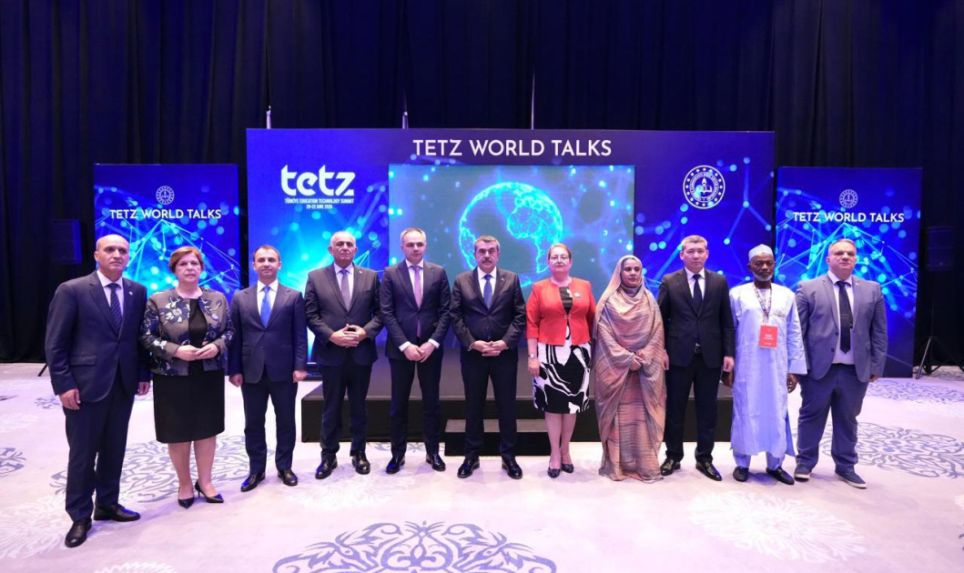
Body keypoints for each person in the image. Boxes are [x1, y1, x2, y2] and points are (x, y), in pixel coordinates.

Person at [44, 234, 151, 548]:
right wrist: (64, 384)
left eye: (122, 250)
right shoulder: (72, 290)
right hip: (84, 386)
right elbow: (55, 343)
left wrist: (142, 373)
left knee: (114, 448)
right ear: (96, 255)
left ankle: (107, 503)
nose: (117, 254)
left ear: (128, 257)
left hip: (123, 383)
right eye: (110, 249)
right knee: (83, 453)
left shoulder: (136, 291)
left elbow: (137, 338)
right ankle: (79, 516)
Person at [141, 246, 232, 507]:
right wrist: (176, 351)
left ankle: (205, 481)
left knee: (207, 429)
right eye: (183, 264)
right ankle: (184, 484)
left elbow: (229, 332)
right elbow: (145, 336)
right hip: (172, 377)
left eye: (194, 263)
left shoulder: (217, 298)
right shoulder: (158, 300)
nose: (190, 268)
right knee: (177, 432)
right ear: (174, 269)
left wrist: (217, 346)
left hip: (208, 375)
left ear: (201, 268)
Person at [794, 238, 887, 489]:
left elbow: (879, 331)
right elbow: (798, 332)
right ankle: (805, 463)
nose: (845, 257)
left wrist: (876, 365)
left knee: (848, 419)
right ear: (828, 259)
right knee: (811, 416)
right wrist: (797, 367)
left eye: (850, 254)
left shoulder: (872, 290)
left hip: (855, 370)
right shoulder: (808, 288)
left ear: (856, 259)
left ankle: (846, 466)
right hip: (818, 369)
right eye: (839, 253)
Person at [228, 245, 308, 491]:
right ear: (254, 265)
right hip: (250, 370)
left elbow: (300, 335)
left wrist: (300, 365)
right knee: (253, 422)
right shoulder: (240, 297)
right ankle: (256, 470)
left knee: (286, 421)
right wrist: (234, 369)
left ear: (279, 264)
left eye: (271, 260)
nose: (266, 264)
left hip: (284, 370)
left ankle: (284, 467)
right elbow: (235, 336)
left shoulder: (293, 296)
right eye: (261, 260)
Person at [725, 245, 806, 485]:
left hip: (777, 366)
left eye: (768, 262)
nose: (764, 267)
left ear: (774, 265)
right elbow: (729, 332)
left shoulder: (786, 295)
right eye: (758, 263)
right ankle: (742, 463)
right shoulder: (737, 294)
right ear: (749, 266)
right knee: (745, 411)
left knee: (776, 412)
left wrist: (794, 369)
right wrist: (727, 368)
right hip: (747, 365)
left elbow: (794, 332)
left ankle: (775, 464)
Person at [657, 235, 735, 481]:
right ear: (682, 255)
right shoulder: (670, 281)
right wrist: (661, 350)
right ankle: (673, 456)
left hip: (710, 357)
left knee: (708, 410)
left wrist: (729, 353)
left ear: (707, 254)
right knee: (675, 409)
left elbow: (726, 321)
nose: (696, 255)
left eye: (700, 251)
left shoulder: (719, 282)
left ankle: (704, 458)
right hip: (678, 356)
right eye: (690, 251)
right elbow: (660, 321)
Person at [305, 231, 383, 478]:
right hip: (331, 353)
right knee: (331, 407)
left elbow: (381, 313)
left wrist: (365, 332)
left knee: (359, 407)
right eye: (340, 244)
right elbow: (310, 315)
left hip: (361, 353)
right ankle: (328, 456)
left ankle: (359, 453)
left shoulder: (370, 277)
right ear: (331, 250)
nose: (345, 247)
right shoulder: (316, 277)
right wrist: (331, 336)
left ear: (356, 250)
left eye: (350, 244)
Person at [449, 235, 526, 479]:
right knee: (473, 406)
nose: (486, 255)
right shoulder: (461, 280)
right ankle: (471, 456)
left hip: (504, 355)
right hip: (474, 355)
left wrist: (504, 343)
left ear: (498, 254)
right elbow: (455, 316)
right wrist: (473, 343)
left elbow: (519, 316)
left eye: (491, 250)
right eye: (481, 251)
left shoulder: (511, 279)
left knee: (507, 406)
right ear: (474, 254)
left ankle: (509, 457)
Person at [380, 227, 451, 474]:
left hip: (430, 349)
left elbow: (446, 311)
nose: (415, 248)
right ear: (402, 247)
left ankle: (433, 452)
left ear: (425, 245)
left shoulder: (438, 272)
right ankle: (397, 454)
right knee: (398, 404)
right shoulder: (390, 273)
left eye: (419, 244)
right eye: (410, 244)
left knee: (432, 402)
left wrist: (432, 343)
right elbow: (386, 312)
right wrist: (405, 345)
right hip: (401, 350)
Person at [591, 255, 666, 482]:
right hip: (617, 372)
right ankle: (616, 466)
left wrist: (644, 356)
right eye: (628, 269)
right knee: (619, 418)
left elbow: (657, 332)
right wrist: (626, 358)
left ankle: (644, 464)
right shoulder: (608, 302)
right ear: (619, 273)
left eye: (637, 269)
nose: (633, 273)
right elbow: (603, 335)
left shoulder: (649, 299)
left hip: (643, 372)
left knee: (641, 420)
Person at [526, 243, 596, 478]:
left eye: (563, 257)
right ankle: (554, 453)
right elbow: (531, 324)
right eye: (554, 257)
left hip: (579, 353)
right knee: (553, 406)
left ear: (570, 261)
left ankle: (566, 450)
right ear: (548, 262)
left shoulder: (585, 286)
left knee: (572, 406)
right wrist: (533, 357)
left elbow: (593, 319)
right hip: (548, 354)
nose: (559, 260)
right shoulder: (539, 288)